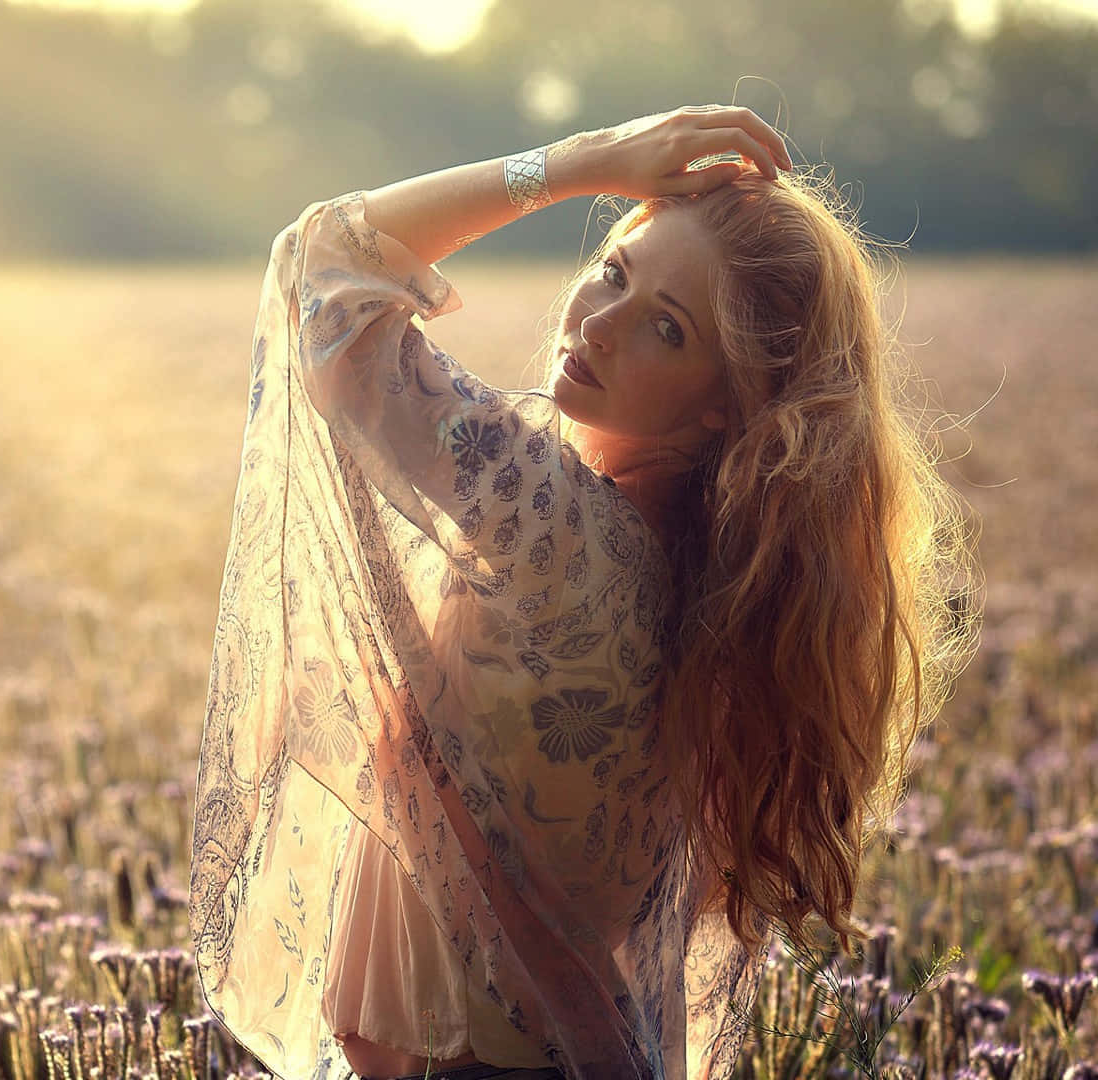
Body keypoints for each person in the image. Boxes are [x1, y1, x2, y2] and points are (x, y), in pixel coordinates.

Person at [189, 105, 978, 1080]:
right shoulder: (710, 580)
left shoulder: (556, 530)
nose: (599, 325)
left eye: (665, 327)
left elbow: (328, 268)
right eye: (613, 272)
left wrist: (573, 164)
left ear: (729, 399)